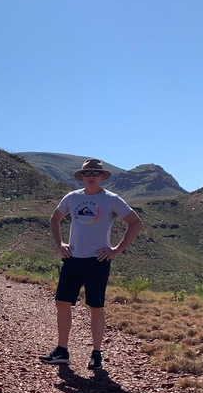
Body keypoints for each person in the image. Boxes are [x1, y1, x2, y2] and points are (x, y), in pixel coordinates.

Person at [40, 158, 143, 370]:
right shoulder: (72, 198)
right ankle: (62, 351)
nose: (92, 177)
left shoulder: (112, 200)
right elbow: (54, 219)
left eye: (96, 173)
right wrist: (60, 244)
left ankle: (96, 354)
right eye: (88, 174)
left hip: (97, 261)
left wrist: (117, 249)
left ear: (102, 176)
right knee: (62, 303)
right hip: (73, 259)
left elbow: (135, 223)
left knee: (96, 307)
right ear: (82, 177)